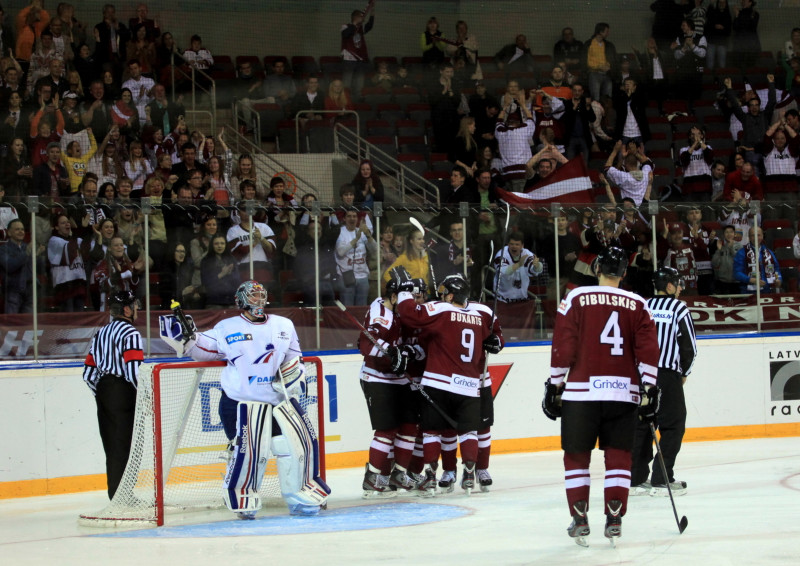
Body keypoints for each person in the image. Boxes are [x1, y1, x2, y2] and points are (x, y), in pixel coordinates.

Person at [163, 280, 330, 518]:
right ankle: (242, 498)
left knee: (289, 447)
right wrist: (189, 338)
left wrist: (295, 376)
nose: (258, 299)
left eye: (261, 294)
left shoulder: (284, 325)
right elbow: (205, 348)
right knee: (248, 452)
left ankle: (299, 497)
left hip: (276, 403)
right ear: (240, 301)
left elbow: (294, 357)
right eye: (252, 296)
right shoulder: (227, 327)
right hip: (239, 403)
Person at [543, 246, 660, 546]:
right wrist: (651, 387)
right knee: (619, 456)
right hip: (623, 393)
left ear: (597, 270)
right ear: (623, 272)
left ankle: (580, 518)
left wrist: (555, 385)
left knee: (577, 457)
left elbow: (563, 345)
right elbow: (647, 349)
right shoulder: (638, 303)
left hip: (582, 393)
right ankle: (615, 518)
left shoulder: (576, 298)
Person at [396, 272, 501, 495]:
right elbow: (495, 334)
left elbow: (409, 313)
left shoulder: (442, 309)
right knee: (469, 431)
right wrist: (496, 340)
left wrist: (403, 291)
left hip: (439, 381)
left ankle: (432, 475)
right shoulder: (481, 313)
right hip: (470, 384)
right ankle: (469, 473)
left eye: (444, 292)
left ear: (453, 294)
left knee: (434, 431)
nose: (440, 295)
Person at [359, 268, 429, 497]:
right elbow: (366, 345)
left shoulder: (401, 310)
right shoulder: (382, 313)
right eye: (404, 297)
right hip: (377, 377)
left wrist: (407, 351)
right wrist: (392, 350)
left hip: (399, 378)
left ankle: (399, 472)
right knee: (387, 429)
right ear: (392, 296)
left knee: (410, 425)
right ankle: (373, 476)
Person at [631, 267, 697, 497]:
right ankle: (661, 478)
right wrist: (684, 372)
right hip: (667, 375)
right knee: (673, 424)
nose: (680, 288)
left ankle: (635, 480)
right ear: (668, 286)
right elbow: (689, 346)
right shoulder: (679, 307)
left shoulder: (643, 305)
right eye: (678, 284)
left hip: (641, 375)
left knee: (642, 426)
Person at [82, 290, 142, 499]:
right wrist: (144, 397)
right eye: (134, 305)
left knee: (111, 446)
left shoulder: (101, 333)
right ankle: (123, 497)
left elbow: (88, 373)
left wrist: (103, 394)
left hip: (104, 391)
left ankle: (117, 495)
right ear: (126, 309)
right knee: (126, 446)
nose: (136, 309)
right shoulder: (130, 333)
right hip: (124, 392)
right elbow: (134, 371)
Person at [335, 207, 377, 306]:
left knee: (361, 308)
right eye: (349, 216)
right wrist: (356, 239)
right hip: (346, 275)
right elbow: (340, 252)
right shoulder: (340, 232)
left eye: (354, 216)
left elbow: (375, 250)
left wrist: (368, 235)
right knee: (347, 308)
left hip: (362, 276)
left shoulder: (362, 232)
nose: (352, 219)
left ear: (357, 219)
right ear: (344, 219)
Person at [492, 231, 544, 303]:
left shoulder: (526, 253)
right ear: (508, 244)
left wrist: (537, 265)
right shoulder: (501, 254)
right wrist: (519, 264)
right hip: (502, 300)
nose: (514, 246)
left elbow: (535, 271)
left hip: (522, 300)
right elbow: (503, 272)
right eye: (511, 244)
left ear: (522, 245)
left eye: (517, 244)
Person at [383, 225, 433, 295]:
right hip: (410, 295)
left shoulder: (425, 257)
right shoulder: (404, 258)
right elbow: (387, 275)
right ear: (411, 241)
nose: (422, 241)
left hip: (424, 295)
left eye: (423, 239)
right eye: (419, 239)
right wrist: (402, 288)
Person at [602, 140, 654, 206]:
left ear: (625, 164)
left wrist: (615, 150)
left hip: (628, 209)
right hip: (643, 209)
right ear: (637, 162)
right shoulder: (646, 174)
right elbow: (647, 163)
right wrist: (635, 153)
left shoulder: (624, 177)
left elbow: (607, 168)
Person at [733, 225, 781, 294]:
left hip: (766, 291)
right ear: (749, 237)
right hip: (748, 292)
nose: (756, 237)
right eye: (753, 235)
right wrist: (750, 280)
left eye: (758, 235)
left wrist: (779, 279)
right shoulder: (742, 253)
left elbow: (776, 269)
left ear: (762, 236)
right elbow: (737, 273)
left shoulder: (769, 252)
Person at [341, 3, 374, 97]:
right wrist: (354, 24)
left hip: (359, 59)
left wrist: (372, 13)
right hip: (349, 59)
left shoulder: (361, 28)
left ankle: (357, 99)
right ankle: (345, 100)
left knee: (359, 82)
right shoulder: (346, 26)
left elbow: (370, 26)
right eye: (361, 16)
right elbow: (345, 34)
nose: (363, 18)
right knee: (347, 81)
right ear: (355, 17)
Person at [0, 219, 33, 313]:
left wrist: (39, 255)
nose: (21, 232)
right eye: (17, 229)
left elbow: (36, 268)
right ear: (9, 233)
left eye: (22, 229)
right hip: (13, 291)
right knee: (12, 324)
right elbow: (10, 265)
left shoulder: (27, 247)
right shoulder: (3, 249)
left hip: (30, 291)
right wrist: (26, 253)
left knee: (29, 325)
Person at [583, 23, 617, 102]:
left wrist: (609, 65)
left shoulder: (608, 45)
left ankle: (607, 113)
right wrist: (598, 66)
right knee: (595, 97)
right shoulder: (589, 44)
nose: (608, 33)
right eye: (607, 31)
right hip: (594, 73)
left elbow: (612, 58)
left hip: (607, 74)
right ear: (601, 32)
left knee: (608, 97)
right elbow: (586, 60)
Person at [712, 225, 743, 293]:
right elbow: (714, 263)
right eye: (726, 232)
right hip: (723, 282)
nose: (729, 234)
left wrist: (731, 247)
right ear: (723, 235)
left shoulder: (740, 246)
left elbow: (738, 260)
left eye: (731, 232)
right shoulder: (721, 247)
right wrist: (719, 250)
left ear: (734, 234)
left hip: (736, 282)